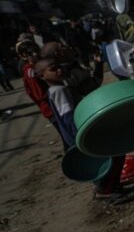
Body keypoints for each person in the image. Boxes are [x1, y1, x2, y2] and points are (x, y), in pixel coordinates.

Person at [36, 57, 125, 197]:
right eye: (53, 69)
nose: (59, 70)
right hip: (81, 135)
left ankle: (106, 187)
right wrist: (81, 137)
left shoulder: (56, 89)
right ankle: (108, 189)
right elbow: (69, 117)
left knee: (102, 160)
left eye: (59, 66)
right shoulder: (59, 91)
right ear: (42, 76)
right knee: (113, 155)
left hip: (79, 136)